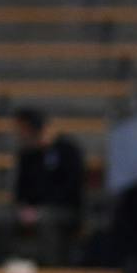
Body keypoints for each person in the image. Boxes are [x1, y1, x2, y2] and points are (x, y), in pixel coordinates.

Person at [12, 107, 84, 264]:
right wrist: (25, 209)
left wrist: (39, 211)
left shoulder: (68, 151)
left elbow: (71, 189)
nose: (20, 135)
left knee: (46, 222)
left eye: (22, 130)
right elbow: (20, 191)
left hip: (63, 210)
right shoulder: (27, 156)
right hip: (32, 212)